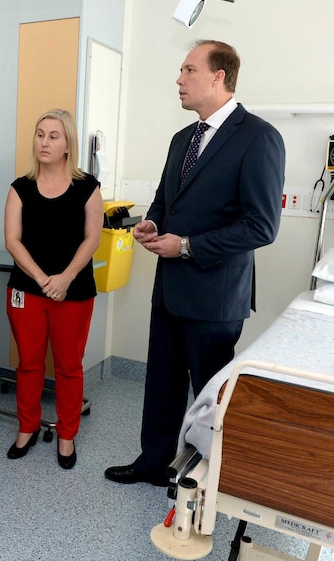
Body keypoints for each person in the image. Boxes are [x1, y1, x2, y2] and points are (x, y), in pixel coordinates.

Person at [104, 40, 285, 487]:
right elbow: (166, 202)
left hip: (215, 294)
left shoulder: (259, 137)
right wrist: (150, 224)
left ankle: (208, 477)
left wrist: (185, 246)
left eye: (188, 70)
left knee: (210, 397)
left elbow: (261, 226)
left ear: (218, 76)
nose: (179, 79)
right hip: (170, 289)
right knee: (161, 384)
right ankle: (152, 463)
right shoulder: (183, 139)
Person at [3, 108, 103, 470]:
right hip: (27, 292)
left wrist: (63, 279)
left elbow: (92, 238)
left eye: (53, 136)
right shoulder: (21, 188)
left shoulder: (87, 187)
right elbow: (12, 241)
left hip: (73, 293)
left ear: (67, 145)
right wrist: (44, 279)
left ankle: (66, 435)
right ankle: (27, 428)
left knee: (69, 367)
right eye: (40, 134)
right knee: (28, 364)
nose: (44, 142)